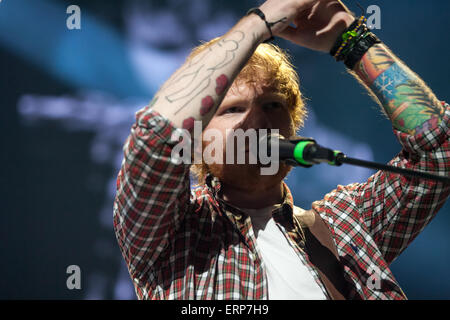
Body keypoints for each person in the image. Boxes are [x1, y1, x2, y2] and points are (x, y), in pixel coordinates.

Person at [113, 0, 449, 299]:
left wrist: (350, 40)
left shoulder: (347, 223)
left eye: (273, 105)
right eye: (232, 109)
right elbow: (155, 137)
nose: (257, 120)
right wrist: (262, 20)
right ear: (196, 139)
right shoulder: (170, 233)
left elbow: (438, 152)